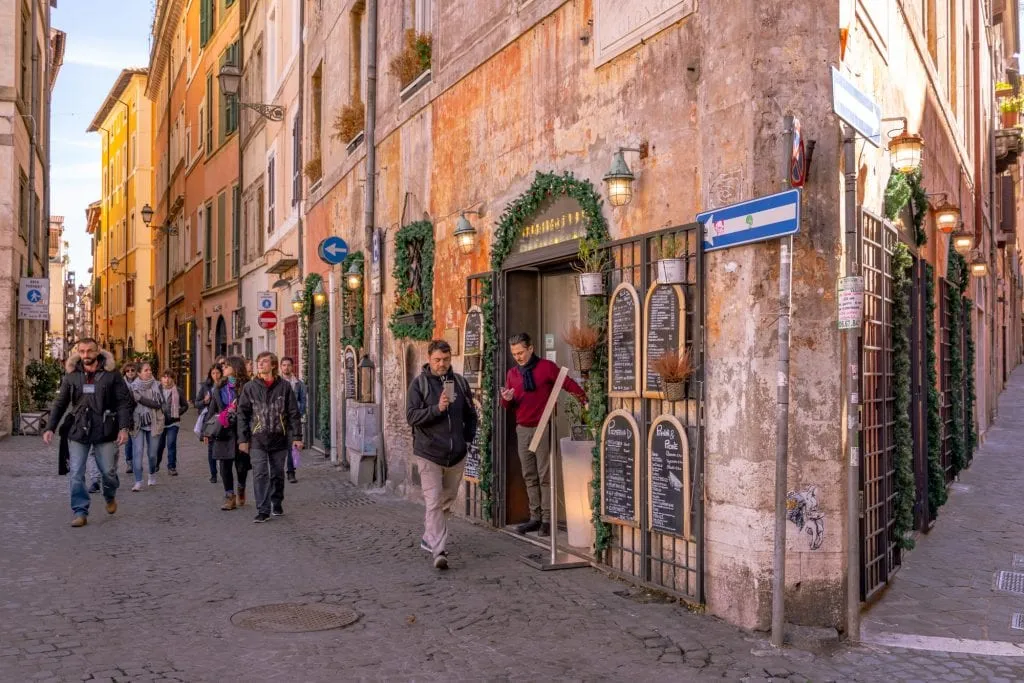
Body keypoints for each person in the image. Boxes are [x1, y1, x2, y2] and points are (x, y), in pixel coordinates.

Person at [500, 332, 586, 537]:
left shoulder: (546, 368)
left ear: (531, 348)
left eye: (521, 352)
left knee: (544, 475)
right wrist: (506, 399)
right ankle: (534, 517)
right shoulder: (512, 374)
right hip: (522, 429)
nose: (518, 357)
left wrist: (585, 401)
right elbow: (507, 406)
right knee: (529, 476)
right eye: (514, 354)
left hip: (543, 427)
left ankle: (547, 520)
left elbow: (567, 383)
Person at [42, 338, 133, 527]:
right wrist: (50, 427)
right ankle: (80, 511)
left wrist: (124, 428)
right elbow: (60, 404)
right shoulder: (72, 375)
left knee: (108, 471)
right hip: (78, 430)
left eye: (89, 351)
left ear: (98, 350)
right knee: (76, 472)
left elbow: (124, 402)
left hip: (105, 429)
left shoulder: (112, 375)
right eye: (81, 351)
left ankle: (109, 496)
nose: (85, 355)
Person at [406, 339, 478, 570]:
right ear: (429, 359)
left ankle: (430, 536)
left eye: (446, 360)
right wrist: (437, 409)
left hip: (456, 454)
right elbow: (412, 417)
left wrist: (466, 439)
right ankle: (438, 550)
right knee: (435, 500)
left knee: (446, 499)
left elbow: (471, 413)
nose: (442, 364)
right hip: (429, 453)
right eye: (437, 360)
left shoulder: (459, 382)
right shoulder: (419, 385)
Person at [237, 352, 302, 523]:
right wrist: (242, 439)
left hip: (279, 437)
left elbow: (293, 413)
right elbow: (242, 414)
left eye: (264, 361)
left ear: (273, 365)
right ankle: (263, 510)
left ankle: (276, 501)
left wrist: (297, 436)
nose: (260, 364)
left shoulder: (285, 387)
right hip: (257, 438)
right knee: (260, 473)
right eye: (259, 361)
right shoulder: (250, 388)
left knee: (277, 474)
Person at [205, 357, 251, 510]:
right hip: (223, 431)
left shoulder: (246, 386)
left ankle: (241, 487)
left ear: (235, 368)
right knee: (224, 466)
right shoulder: (219, 387)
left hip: (240, 431)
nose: (223, 368)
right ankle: (229, 496)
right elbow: (212, 409)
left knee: (241, 466)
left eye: (226, 366)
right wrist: (206, 431)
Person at [130, 362, 165, 490]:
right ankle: (138, 481)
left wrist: (141, 399)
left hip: (154, 422)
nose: (149, 372)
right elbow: (128, 405)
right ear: (139, 373)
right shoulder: (132, 388)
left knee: (152, 454)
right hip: (137, 423)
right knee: (138, 452)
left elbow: (160, 403)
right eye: (146, 370)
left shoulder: (158, 385)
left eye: (150, 370)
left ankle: (152, 474)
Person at [154, 371, 188, 476]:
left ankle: (172, 467)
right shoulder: (156, 390)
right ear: (161, 379)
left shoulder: (178, 391)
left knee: (171, 444)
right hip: (160, 422)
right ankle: (156, 463)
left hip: (173, 422)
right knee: (160, 445)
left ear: (173, 379)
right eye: (164, 377)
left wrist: (178, 413)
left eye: (169, 377)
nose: (166, 379)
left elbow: (185, 405)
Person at [279, 356, 307, 484]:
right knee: (279, 447)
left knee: (294, 447)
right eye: (284, 365)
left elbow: (303, 401)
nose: (286, 367)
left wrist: (298, 414)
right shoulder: (277, 383)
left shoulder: (298, 384)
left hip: (292, 420)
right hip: (279, 420)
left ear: (292, 366)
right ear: (280, 367)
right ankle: (278, 471)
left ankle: (291, 472)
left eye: (288, 365)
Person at [195, 364, 223, 483]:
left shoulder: (226, 385)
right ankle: (213, 474)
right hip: (210, 420)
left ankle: (223, 472)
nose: (215, 376)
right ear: (210, 375)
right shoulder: (206, 386)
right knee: (211, 448)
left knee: (222, 447)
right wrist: (204, 401)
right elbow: (197, 403)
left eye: (217, 373)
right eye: (213, 373)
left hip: (222, 419)